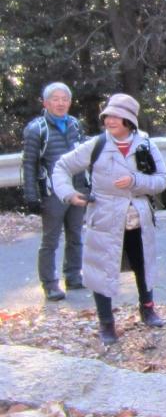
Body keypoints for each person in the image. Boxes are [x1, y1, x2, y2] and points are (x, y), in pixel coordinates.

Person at [51, 94, 166, 345]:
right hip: (104, 215)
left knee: (143, 264)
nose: (111, 120)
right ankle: (106, 323)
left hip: (138, 216)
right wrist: (69, 194)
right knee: (100, 268)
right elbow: (62, 167)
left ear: (129, 120)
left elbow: (162, 179)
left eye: (117, 116)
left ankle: (147, 309)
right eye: (108, 115)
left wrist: (136, 182)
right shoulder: (96, 145)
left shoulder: (145, 145)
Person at [22, 82, 88, 301]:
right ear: (46, 102)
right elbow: (29, 164)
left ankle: (73, 276)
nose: (61, 103)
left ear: (70, 102)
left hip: (77, 187)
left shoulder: (74, 124)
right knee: (50, 240)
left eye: (65, 99)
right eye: (56, 99)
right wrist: (31, 196)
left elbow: (83, 154)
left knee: (76, 235)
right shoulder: (36, 129)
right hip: (52, 192)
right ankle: (50, 283)